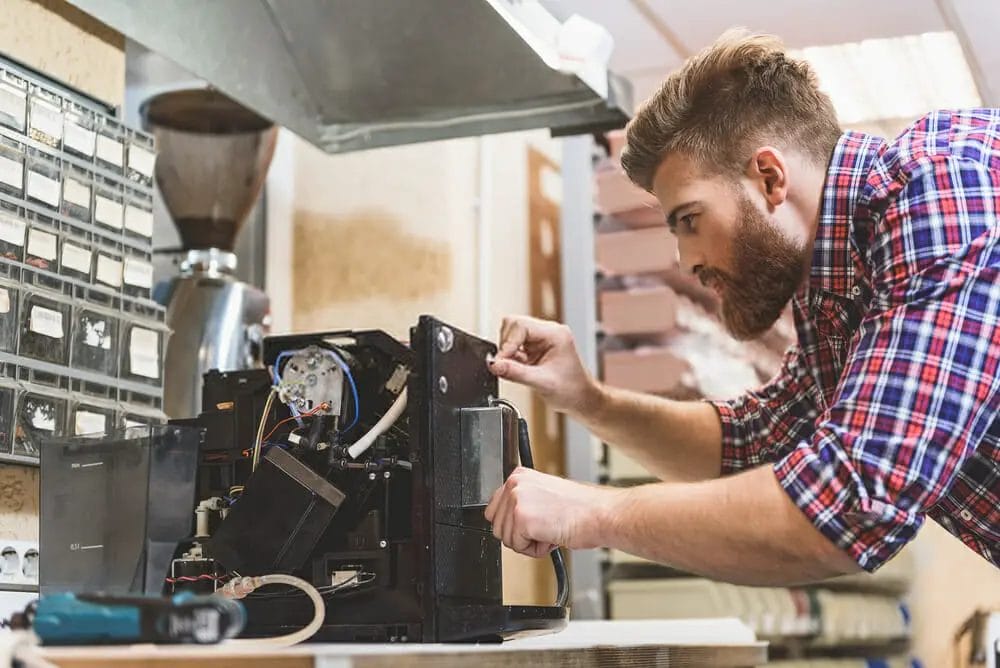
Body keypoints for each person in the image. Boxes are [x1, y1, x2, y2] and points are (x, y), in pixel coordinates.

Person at [485, 28, 999, 584]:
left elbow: (854, 498)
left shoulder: (942, 184)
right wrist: (588, 400)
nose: (685, 259)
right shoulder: (835, 294)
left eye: (689, 219)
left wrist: (592, 513)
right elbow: (749, 443)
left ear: (769, 178)